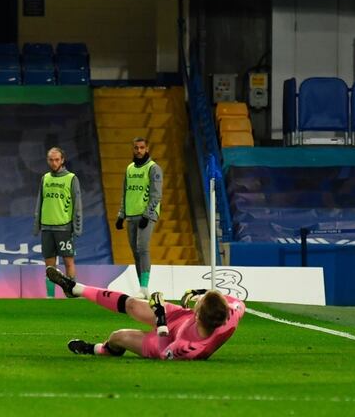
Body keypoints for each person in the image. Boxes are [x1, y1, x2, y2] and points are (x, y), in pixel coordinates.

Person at [46, 267, 244, 360]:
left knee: (118, 337)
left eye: (198, 303)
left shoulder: (190, 348)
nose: (197, 301)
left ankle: (98, 349)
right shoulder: (231, 312)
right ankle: (75, 288)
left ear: (199, 315)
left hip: (165, 340)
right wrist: (200, 293)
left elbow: (167, 354)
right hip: (182, 320)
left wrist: (160, 318)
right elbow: (235, 302)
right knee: (133, 304)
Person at [114, 137, 162, 298]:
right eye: (136, 148)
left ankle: (144, 286)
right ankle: (142, 289)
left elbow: (156, 195)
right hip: (131, 215)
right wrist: (121, 215)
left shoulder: (153, 168)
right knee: (135, 252)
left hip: (146, 215)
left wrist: (147, 214)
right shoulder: (129, 169)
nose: (139, 151)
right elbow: (125, 192)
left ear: (147, 149)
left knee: (142, 248)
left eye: (142, 148)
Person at [34, 147, 83, 287]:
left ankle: (71, 292)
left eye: (56, 160)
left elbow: (77, 204)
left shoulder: (71, 178)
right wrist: (37, 225)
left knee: (68, 261)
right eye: (51, 160)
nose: (54, 163)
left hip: (64, 228)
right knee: (49, 266)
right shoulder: (45, 178)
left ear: (62, 160)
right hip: (46, 227)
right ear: (47, 161)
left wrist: (77, 227)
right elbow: (40, 202)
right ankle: (51, 298)